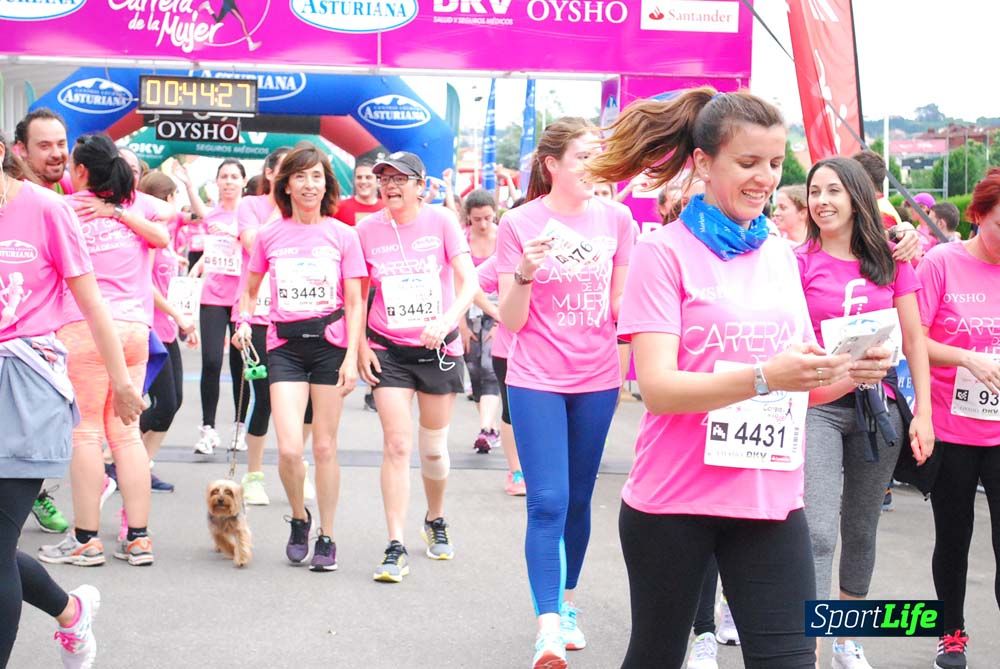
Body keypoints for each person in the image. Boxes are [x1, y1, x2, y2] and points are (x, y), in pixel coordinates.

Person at [589, 87, 893, 669]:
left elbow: (800, 385)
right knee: (656, 655)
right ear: (704, 163)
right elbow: (657, 388)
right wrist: (763, 376)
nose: (765, 179)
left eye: (776, 165)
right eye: (748, 162)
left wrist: (850, 372)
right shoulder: (664, 253)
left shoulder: (780, 254)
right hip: (674, 501)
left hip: (769, 500)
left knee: (789, 661)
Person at [0, 131, 144, 668]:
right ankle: (70, 613)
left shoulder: (45, 210)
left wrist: (123, 383)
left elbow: (92, 302)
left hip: (26, 387)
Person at [496, 117, 636, 668]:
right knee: (547, 500)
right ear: (552, 164)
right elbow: (510, 320)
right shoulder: (519, 223)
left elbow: (622, 306)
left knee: (579, 500)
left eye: (598, 155)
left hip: (597, 378)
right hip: (535, 379)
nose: (592, 165)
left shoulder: (619, 220)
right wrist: (525, 272)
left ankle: (568, 601)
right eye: (581, 155)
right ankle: (548, 628)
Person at [798, 157, 934, 669]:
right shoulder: (798, 261)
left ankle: (845, 640)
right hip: (818, 409)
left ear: (858, 196)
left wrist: (923, 415)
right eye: (814, 191)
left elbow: (915, 338)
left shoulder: (894, 259)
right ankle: (807, 646)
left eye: (834, 190)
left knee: (860, 529)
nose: (822, 201)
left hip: (880, 412)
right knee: (816, 530)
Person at [34, 134, 166, 571]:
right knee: (127, 434)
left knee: (86, 433)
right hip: (134, 329)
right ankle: (140, 539)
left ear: (83, 172)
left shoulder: (65, 208)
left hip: (84, 328)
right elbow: (165, 231)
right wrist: (121, 214)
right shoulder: (138, 204)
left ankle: (87, 539)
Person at [235, 144, 365, 571]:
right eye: (301, 177)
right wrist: (242, 320)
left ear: (326, 183)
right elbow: (250, 289)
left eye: (317, 177)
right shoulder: (269, 236)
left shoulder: (343, 234)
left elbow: (354, 301)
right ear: (285, 184)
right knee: (290, 450)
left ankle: (327, 534)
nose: (310, 185)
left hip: (329, 346)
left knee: (325, 447)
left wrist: (351, 357)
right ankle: (299, 517)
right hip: (284, 346)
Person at [356, 151, 478, 583]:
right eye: (383, 178)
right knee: (396, 445)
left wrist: (448, 320)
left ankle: (435, 516)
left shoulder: (442, 221)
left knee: (432, 449)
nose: (389, 185)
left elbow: (470, 281)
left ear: (420, 185)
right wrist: (359, 347)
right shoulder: (365, 230)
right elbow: (356, 295)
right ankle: (394, 545)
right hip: (387, 349)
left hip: (439, 349)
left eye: (399, 179)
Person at [918, 168, 1000, 669]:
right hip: (952, 427)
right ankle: (951, 633)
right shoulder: (940, 263)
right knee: (955, 536)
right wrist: (968, 357)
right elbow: (916, 341)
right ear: (977, 216)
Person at [231, 147, 290, 505]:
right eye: (286, 171)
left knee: (308, 403)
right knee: (264, 395)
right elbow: (253, 245)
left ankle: (298, 465)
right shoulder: (251, 207)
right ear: (269, 173)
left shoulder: (309, 210)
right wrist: (283, 211)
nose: (293, 179)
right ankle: (254, 475)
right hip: (259, 314)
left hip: (299, 315)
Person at [137, 172, 200, 493]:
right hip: (149, 328)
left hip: (168, 328)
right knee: (164, 403)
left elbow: (201, 217)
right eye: (173, 197)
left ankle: (138, 466)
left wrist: (183, 321)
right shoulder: (148, 234)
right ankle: (121, 454)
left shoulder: (168, 230)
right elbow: (145, 284)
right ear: (163, 198)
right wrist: (177, 315)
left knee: (173, 403)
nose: (176, 205)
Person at [189, 159, 249, 455]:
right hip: (213, 295)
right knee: (211, 361)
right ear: (217, 182)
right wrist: (195, 270)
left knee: (241, 364)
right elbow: (212, 251)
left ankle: (240, 428)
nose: (228, 181)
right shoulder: (211, 215)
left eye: (234, 176)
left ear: (243, 181)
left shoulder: (250, 214)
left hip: (241, 296)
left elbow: (255, 249)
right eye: (223, 176)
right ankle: (207, 429)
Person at [460, 189, 502, 453]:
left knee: (489, 366)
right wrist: (460, 323)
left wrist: (501, 322)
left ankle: (487, 429)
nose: (484, 224)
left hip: (499, 308)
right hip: (468, 309)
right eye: (477, 219)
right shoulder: (461, 240)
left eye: (488, 217)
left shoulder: (503, 238)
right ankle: (489, 427)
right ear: (469, 219)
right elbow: (456, 282)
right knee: (474, 368)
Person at [13, 108, 71, 194]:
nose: (57, 154)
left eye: (61, 144)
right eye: (45, 146)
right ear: (23, 149)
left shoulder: (67, 181)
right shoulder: (11, 192)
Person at [336, 158, 384, 226]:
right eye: (359, 177)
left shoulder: (386, 209)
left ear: (378, 181)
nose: (363, 181)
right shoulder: (339, 208)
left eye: (368, 177)